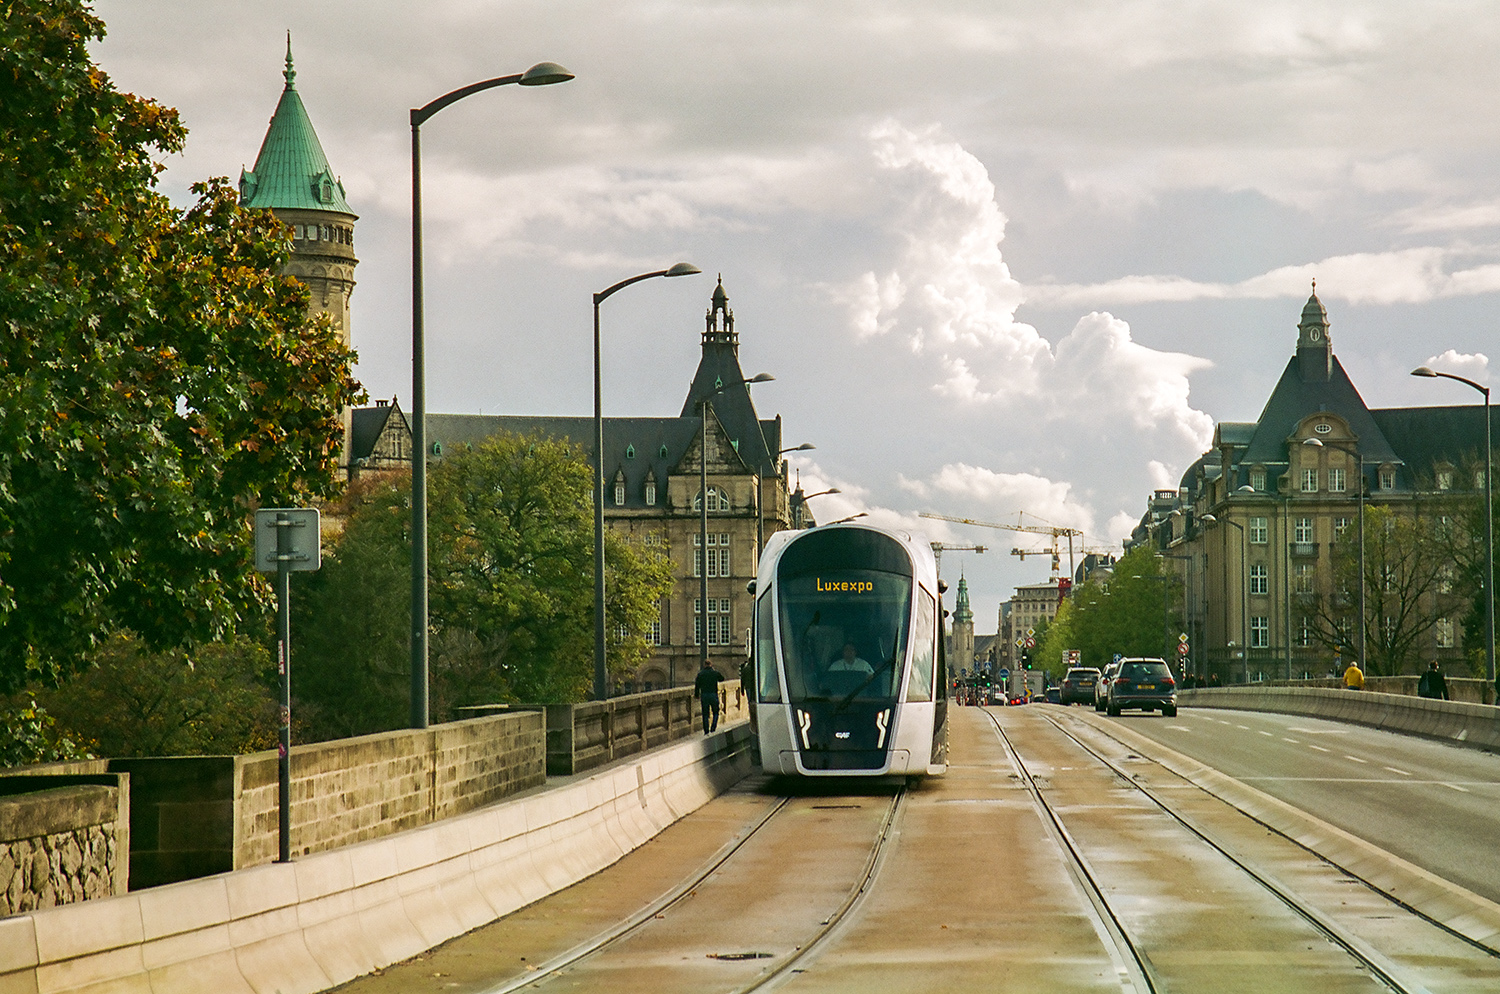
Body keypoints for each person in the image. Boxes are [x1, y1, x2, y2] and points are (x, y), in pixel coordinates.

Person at [694, 660, 724, 734]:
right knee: (716, 712)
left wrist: (696, 695)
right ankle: (713, 728)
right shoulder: (714, 673)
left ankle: (706, 730)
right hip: (713, 694)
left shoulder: (700, 674)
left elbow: (697, 685)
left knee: (705, 714)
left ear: (704, 665)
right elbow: (722, 678)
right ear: (711, 664)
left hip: (704, 695)